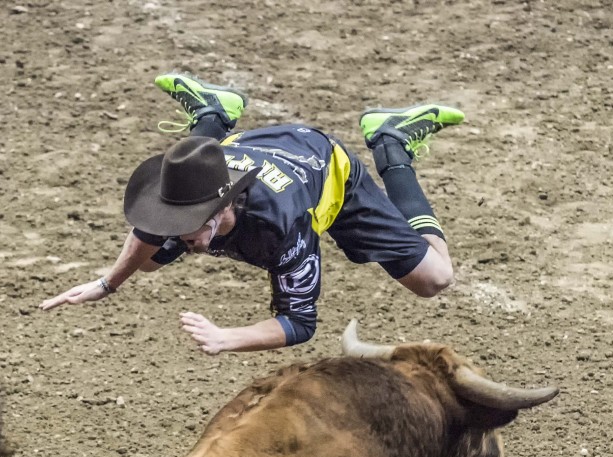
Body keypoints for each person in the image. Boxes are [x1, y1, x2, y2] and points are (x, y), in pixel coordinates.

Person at [40, 74, 464, 354]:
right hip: (250, 150)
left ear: (223, 207)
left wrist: (228, 338)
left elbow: (299, 321)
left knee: (434, 279)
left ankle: (392, 142)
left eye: (191, 229)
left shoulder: (279, 227)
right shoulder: (189, 198)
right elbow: (148, 230)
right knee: (146, 262)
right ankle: (214, 113)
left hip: (326, 166)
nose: (185, 240)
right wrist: (107, 283)